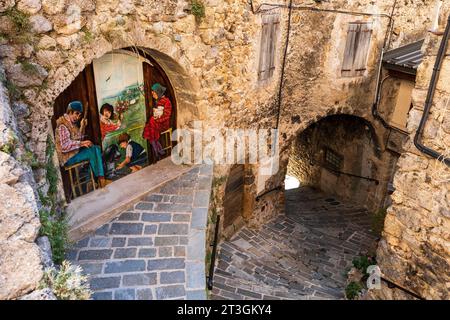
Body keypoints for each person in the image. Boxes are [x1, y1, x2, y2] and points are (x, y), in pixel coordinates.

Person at [55, 101, 108, 188]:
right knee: (92, 151)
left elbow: (78, 138)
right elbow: (64, 146)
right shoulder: (62, 125)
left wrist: (82, 126)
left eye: (79, 115)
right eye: (76, 113)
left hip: (73, 154)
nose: (77, 117)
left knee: (96, 148)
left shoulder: (72, 124)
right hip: (67, 158)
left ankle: (93, 180)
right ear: (70, 111)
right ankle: (101, 180)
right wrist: (82, 143)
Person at [143, 83, 172, 158]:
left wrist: (158, 119)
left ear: (158, 92)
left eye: (154, 93)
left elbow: (167, 115)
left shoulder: (167, 102)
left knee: (151, 122)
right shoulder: (158, 101)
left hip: (163, 123)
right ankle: (159, 150)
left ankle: (157, 151)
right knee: (151, 123)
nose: (152, 94)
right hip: (157, 123)